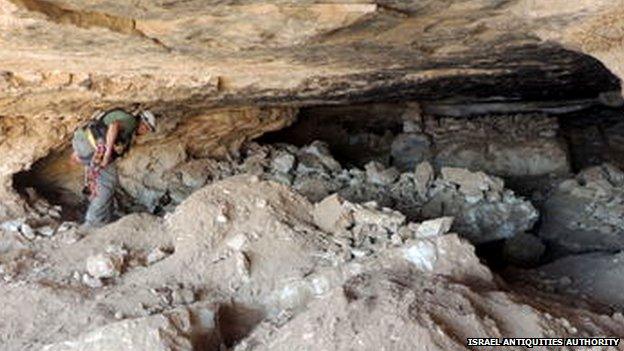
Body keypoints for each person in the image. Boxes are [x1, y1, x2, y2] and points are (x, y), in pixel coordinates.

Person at [71, 108, 156, 227]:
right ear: (141, 120)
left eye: (148, 130)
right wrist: (106, 155)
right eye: (146, 127)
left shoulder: (128, 133)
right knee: (108, 181)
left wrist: (81, 155)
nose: (145, 131)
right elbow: (114, 126)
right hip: (93, 146)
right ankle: (93, 222)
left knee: (98, 184)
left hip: (82, 142)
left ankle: (103, 218)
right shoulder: (130, 121)